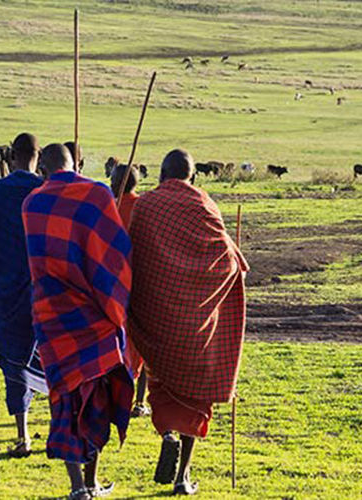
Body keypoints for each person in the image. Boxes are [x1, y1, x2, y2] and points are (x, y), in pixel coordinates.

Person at [126, 150, 248, 495]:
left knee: (160, 382)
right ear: (192, 177)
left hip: (157, 318)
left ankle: (166, 433)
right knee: (196, 393)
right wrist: (235, 264)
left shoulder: (147, 205)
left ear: (162, 175)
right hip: (195, 321)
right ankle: (183, 476)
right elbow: (225, 260)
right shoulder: (205, 205)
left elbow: (134, 255)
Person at [22, 143, 134, 500]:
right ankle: (92, 480)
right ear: (76, 164)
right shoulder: (97, 194)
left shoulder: (31, 204)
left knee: (63, 396)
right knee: (96, 396)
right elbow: (114, 251)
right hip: (94, 315)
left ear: (43, 170)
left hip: (52, 317)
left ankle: (77, 487)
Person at [0, 132, 47, 458]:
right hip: (42, 288)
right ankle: (60, 427)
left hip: (4, 287)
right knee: (47, 353)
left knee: (14, 357)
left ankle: (22, 435)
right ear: (39, 156)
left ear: (11, 156)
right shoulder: (45, 190)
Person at [109, 163, 148, 417]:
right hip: (143, 285)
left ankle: (117, 397)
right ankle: (139, 401)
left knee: (116, 343)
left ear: (115, 183)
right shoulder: (145, 208)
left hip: (113, 287)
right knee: (143, 342)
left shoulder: (107, 209)